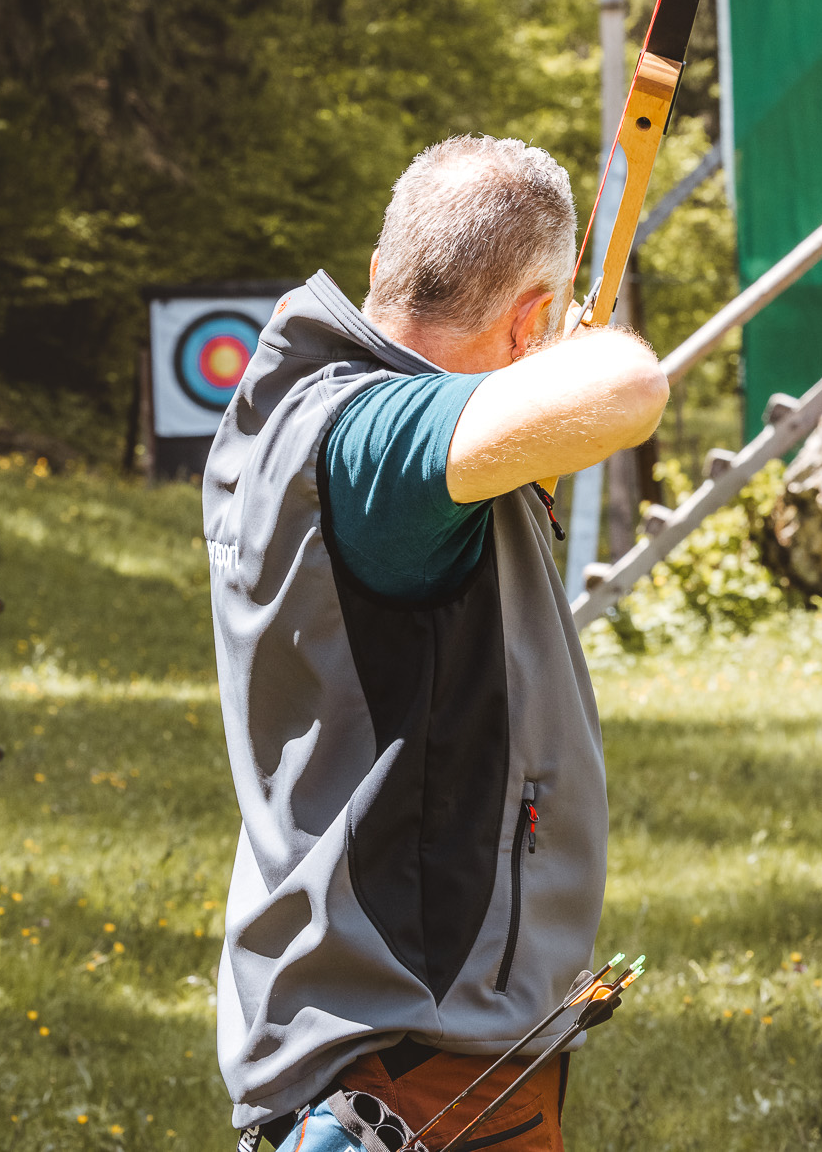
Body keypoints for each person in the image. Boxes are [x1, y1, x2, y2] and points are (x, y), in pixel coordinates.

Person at [204, 135, 668, 1151]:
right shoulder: (378, 448)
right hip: (409, 1055)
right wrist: (575, 362)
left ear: (383, 266)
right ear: (530, 321)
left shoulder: (297, 409)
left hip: (384, 1036)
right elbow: (630, 390)